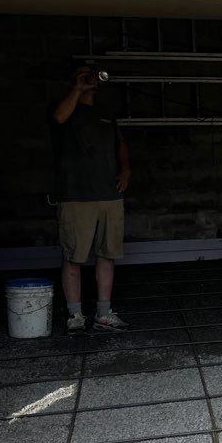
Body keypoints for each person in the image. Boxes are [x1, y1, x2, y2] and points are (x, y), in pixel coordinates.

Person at [50, 65, 130, 332]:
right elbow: (59, 118)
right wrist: (77, 88)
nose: (89, 78)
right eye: (82, 73)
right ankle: (75, 315)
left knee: (107, 254)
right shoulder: (65, 107)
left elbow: (120, 144)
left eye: (91, 75)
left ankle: (104, 313)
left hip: (108, 193)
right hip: (75, 195)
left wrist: (126, 168)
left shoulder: (106, 114)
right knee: (74, 256)